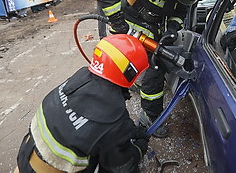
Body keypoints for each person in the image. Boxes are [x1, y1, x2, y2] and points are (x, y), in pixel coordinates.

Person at [94, 0, 211, 138]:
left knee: (155, 71)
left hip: (154, 27)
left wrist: (172, 29)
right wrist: (118, 23)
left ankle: (149, 118)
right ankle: (104, 119)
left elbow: (182, 8)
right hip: (128, 22)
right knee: (117, 70)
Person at [15, 34, 150, 173]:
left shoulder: (78, 80)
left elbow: (89, 128)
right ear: (129, 73)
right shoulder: (113, 118)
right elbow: (122, 167)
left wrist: (125, 132)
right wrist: (138, 149)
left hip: (25, 156)